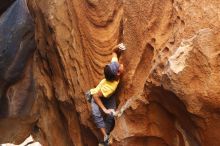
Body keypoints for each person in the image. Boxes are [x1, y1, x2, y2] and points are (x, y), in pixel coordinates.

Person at [86, 43, 126, 145]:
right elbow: (96, 96)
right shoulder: (110, 86)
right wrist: (105, 109)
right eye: (119, 66)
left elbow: (113, 52)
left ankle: (106, 134)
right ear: (118, 73)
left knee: (111, 115)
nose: (120, 64)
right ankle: (105, 137)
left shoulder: (114, 67)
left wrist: (118, 47)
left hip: (107, 95)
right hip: (96, 96)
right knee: (97, 115)